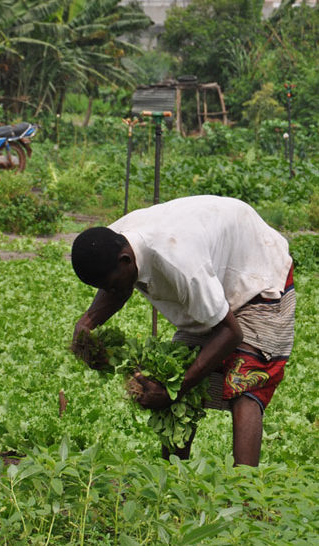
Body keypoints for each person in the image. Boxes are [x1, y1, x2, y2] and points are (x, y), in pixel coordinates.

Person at [70, 195, 295, 466]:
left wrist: (171, 391)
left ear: (127, 260)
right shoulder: (113, 242)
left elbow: (231, 333)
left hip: (256, 271)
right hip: (212, 275)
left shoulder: (180, 263)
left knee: (246, 380)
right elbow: (115, 289)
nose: (111, 293)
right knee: (177, 370)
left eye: (113, 285)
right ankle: (173, 483)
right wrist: (86, 324)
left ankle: (245, 494)